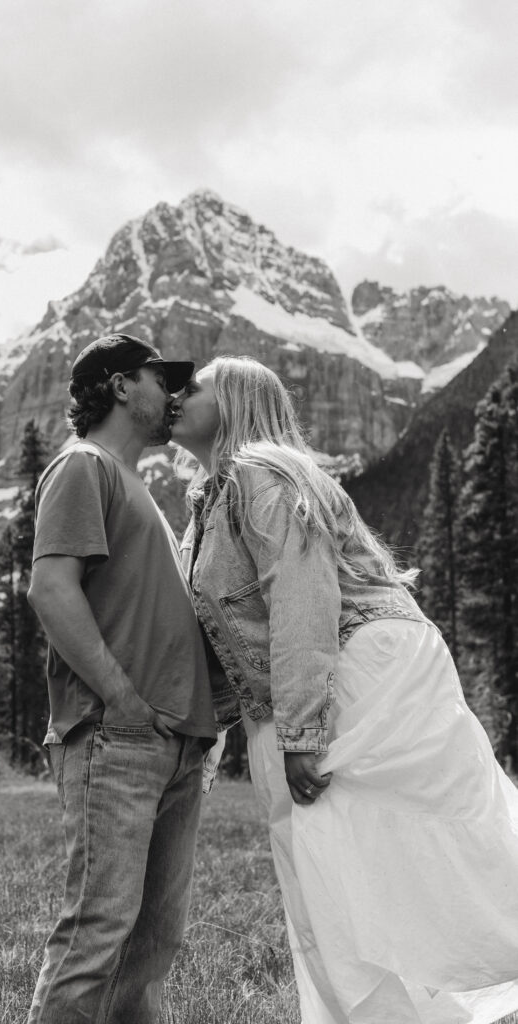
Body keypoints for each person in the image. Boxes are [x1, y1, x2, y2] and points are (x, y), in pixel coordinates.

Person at [171, 354, 518, 1024]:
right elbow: (224, 636)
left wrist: (302, 731)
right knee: (346, 867)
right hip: (315, 682)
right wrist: (208, 738)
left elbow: (303, 595)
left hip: (356, 670)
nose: (180, 394)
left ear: (238, 403)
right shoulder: (210, 499)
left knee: (365, 860)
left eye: (198, 386)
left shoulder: (259, 473)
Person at [26, 334, 216, 1024]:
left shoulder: (135, 485)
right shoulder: (84, 466)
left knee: (151, 947)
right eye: (158, 378)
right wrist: (122, 698)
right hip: (118, 736)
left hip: (174, 744)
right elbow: (52, 589)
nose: (171, 394)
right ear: (117, 386)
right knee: (99, 931)